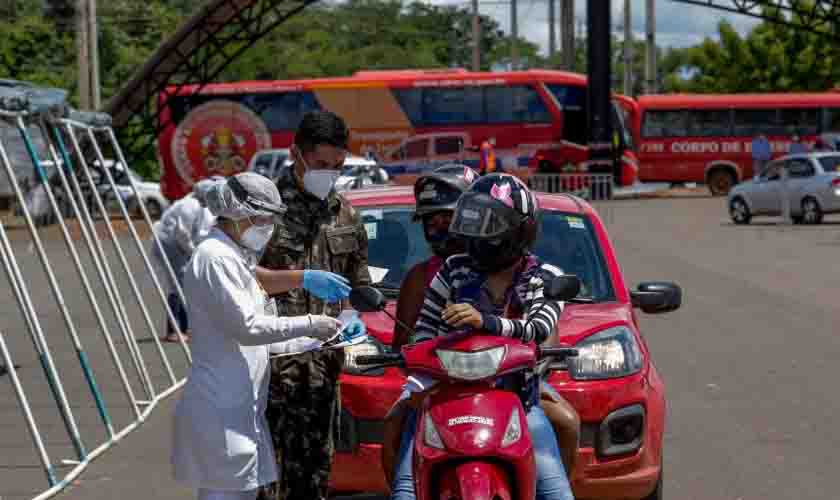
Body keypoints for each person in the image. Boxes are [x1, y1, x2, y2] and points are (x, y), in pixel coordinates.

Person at [390, 173, 575, 500]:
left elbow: (538, 330)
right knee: (405, 486)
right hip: (446, 394)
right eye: (474, 224)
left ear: (519, 229)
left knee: (556, 491)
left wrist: (485, 321)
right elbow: (424, 328)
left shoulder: (546, 277)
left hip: (517, 396)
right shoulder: (452, 269)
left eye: (489, 225)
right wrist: (417, 359)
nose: (478, 235)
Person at [171, 172, 351, 500]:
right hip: (221, 409)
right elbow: (249, 327)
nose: (267, 226)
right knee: (224, 495)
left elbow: (264, 336)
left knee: (243, 492)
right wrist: (310, 322)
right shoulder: (215, 258)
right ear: (237, 213)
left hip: (240, 406)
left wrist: (327, 335)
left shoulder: (235, 256)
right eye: (262, 218)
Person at [257, 111, 371, 500]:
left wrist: (356, 317)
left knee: (315, 480)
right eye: (321, 164)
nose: (330, 173)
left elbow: (359, 283)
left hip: (321, 376)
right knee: (263, 484)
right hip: (266, 375)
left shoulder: (347, 214)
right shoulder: (261, 211)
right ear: (296, 155)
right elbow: (234, 277)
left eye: (337, 166)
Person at [152, 176, 223, 342]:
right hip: (169, 245)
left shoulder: (199, 206)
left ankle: (184, 328)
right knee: (179, 285)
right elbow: (181, 234)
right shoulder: (189, 205)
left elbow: (198, 233)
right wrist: (193, 252)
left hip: (178, 246)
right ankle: (174, 330)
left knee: (185, 284)